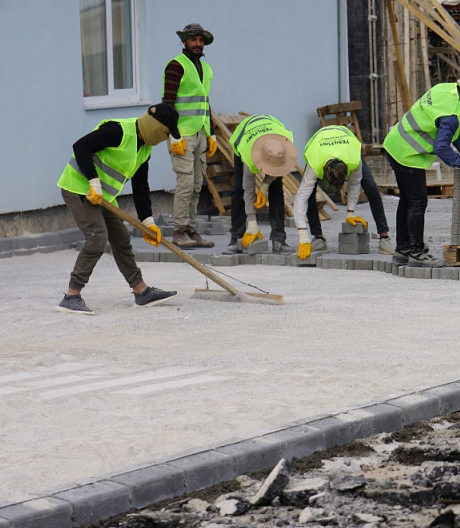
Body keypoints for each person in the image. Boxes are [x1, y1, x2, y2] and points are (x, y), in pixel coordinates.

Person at [55, 104, 181, 315]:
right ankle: (71, 295)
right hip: (78, 188)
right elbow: (80, 146)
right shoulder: (118, 131)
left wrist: (147, 221)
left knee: (121, 238)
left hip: (103, 196)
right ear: (156, 127)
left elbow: (141, 186)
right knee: (97, 236)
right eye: (166, 133)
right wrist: (93, 181)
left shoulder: (144, 149)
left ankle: (141, 292)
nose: (165, 139)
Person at [383, 73, 460, 267]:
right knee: (417, 202)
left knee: (407, 200)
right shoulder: (452, 114)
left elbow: (448, 127)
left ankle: (402, 251)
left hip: (395, 143)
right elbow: (442, 146)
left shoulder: (445, 89)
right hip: (408, 153)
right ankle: (416, 254)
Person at [163, 23, 218, 249]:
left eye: (201, 40)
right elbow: (167, 104)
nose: (198, 44)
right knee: (185, 184)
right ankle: (179, 231)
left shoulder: (206, 69)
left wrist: (212, 133)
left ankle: (192, 230)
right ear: (184, 41)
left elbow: (205, 104)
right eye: (193, 40)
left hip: (200, 132)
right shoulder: (176, 66)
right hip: (182, 134)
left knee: (196, 185)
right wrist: (174, 135)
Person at [222, 115, 297, 255]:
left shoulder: (284, 146)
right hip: (244, 137)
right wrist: (252, 224)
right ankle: (236, 238)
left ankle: (279, 240)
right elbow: (248, 190)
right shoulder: (249, 156)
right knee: (238, 189)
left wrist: (265, 186)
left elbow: (279, 168)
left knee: (276, 189)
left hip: (272, 129)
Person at [293, 125, 367, 260]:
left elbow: (355, 184)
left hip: (345, 139)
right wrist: (302, 234)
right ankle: (318, 237)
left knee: (371, 186)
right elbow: (300, 198)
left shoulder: (354, 159)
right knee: (309, 195)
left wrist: (350, 212)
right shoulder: (315, 163)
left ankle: (384, 237)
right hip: (320, 140)